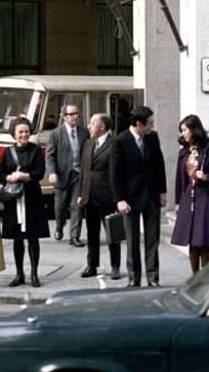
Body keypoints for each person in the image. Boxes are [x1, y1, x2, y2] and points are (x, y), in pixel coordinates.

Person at [110, 106, 167, 287]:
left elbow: (159, 164)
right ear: (138, 124)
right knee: (132, 240)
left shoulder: (153, 137)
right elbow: (115, 173)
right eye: (149, 124)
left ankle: (153, 277)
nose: (152, 126)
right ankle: (134, 278)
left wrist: (162, 192)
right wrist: (119, 199)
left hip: (151, 195)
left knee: (153, 239)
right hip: (130, 198)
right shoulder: (120, 141)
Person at [171, 115, 209, 274]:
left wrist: (206, 176)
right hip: (188, 197)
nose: (183, 134)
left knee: (203, 240)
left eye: (185, 130)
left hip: (204, 197)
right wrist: (177, 202)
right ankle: (194, 276)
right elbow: (179, 179)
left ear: (194, 130)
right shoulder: (183, 152)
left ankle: (206, 276)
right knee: (191, 241)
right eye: (181, 131)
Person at [0, 116, 48, 288]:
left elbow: (40, 172)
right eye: (20, 132)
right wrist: (10, 177)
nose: (24, 135)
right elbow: (0, 173)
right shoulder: (7, 152)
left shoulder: (36, 150)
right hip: (14, 199)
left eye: (26, 131)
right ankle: (19, 274)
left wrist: (25, 176)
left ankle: (34, 274)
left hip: (32, 197)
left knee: (33, 238)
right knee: (17, 238)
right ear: (14, 134)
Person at [77, 113, 120, 280]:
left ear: (102, 127)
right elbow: (84, 171)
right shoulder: (88, 144)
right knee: (92, 233)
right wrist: (81, 193)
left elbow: (117, 173)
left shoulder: (114, 144)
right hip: (89, 195)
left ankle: (115, 266)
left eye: (92, 123)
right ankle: (92, 265)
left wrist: (118, 197)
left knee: (112, 232)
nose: (88, 126)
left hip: (107, 196)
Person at [46, 104, 89, 246]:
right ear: (64, 116)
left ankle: (74, 236)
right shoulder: (56, 134)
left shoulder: (84, 132)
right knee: (60, 206)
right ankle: (59, 226)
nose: (75, 116)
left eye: (77, 113)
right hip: (62, 174)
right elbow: (50, 155)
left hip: (79, 174)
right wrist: (52, 172)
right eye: (71, 114)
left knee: (77, 206)